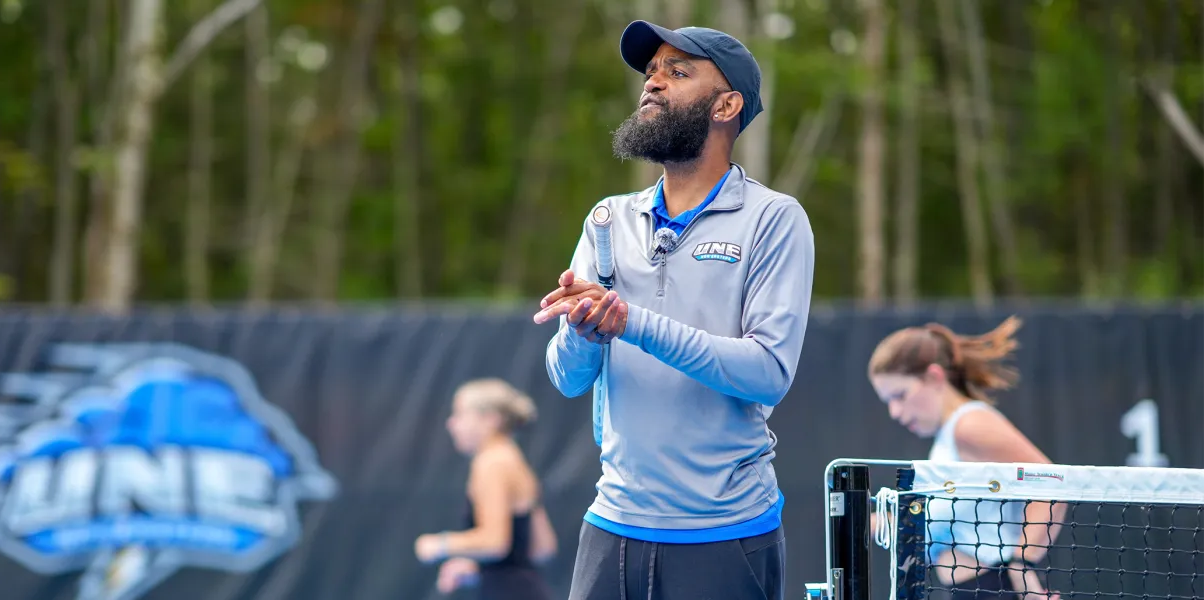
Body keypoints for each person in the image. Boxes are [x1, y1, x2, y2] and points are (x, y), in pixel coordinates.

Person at [531, 20, 815, 600]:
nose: (652, 83)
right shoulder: (607, 218)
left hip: (728, 533)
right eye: (650, 71)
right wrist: (587, 333)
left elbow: (767, 373)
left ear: (727, 105)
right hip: (611, 527)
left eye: (678, 72)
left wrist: (630, 321)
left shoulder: (774, 218)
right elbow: (566, 378)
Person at [867, 317, 1065, 600]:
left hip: (997, 591)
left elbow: (1052, 484)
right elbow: (941, 525)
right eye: (888, 401)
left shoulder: (969, 426)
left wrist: (1022, 566)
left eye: (900, 395)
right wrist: (872, 519)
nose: (895, 412)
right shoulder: (950, 437)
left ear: (934, 377)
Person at [414, 378, 558, 600]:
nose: (451, 424)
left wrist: (438, 544)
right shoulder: (514, 459)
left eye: (460, 414)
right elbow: (543, 547)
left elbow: (495, 542)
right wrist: (479, 569)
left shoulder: (491, 463)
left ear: (490, 420)